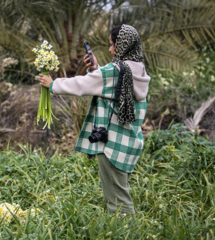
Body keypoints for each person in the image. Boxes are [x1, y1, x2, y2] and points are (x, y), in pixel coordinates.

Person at [39, 24, 150, 215]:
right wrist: (96, 68)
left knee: (118, 202)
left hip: (112, 145)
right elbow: (107, 87)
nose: (110, 49)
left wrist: (53, 84)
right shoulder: (138, 70)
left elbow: (83, 84)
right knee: (120, 193)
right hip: (129, 142)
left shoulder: (116, 71)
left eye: (112, 45)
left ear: (122, 45)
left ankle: (126, 233)